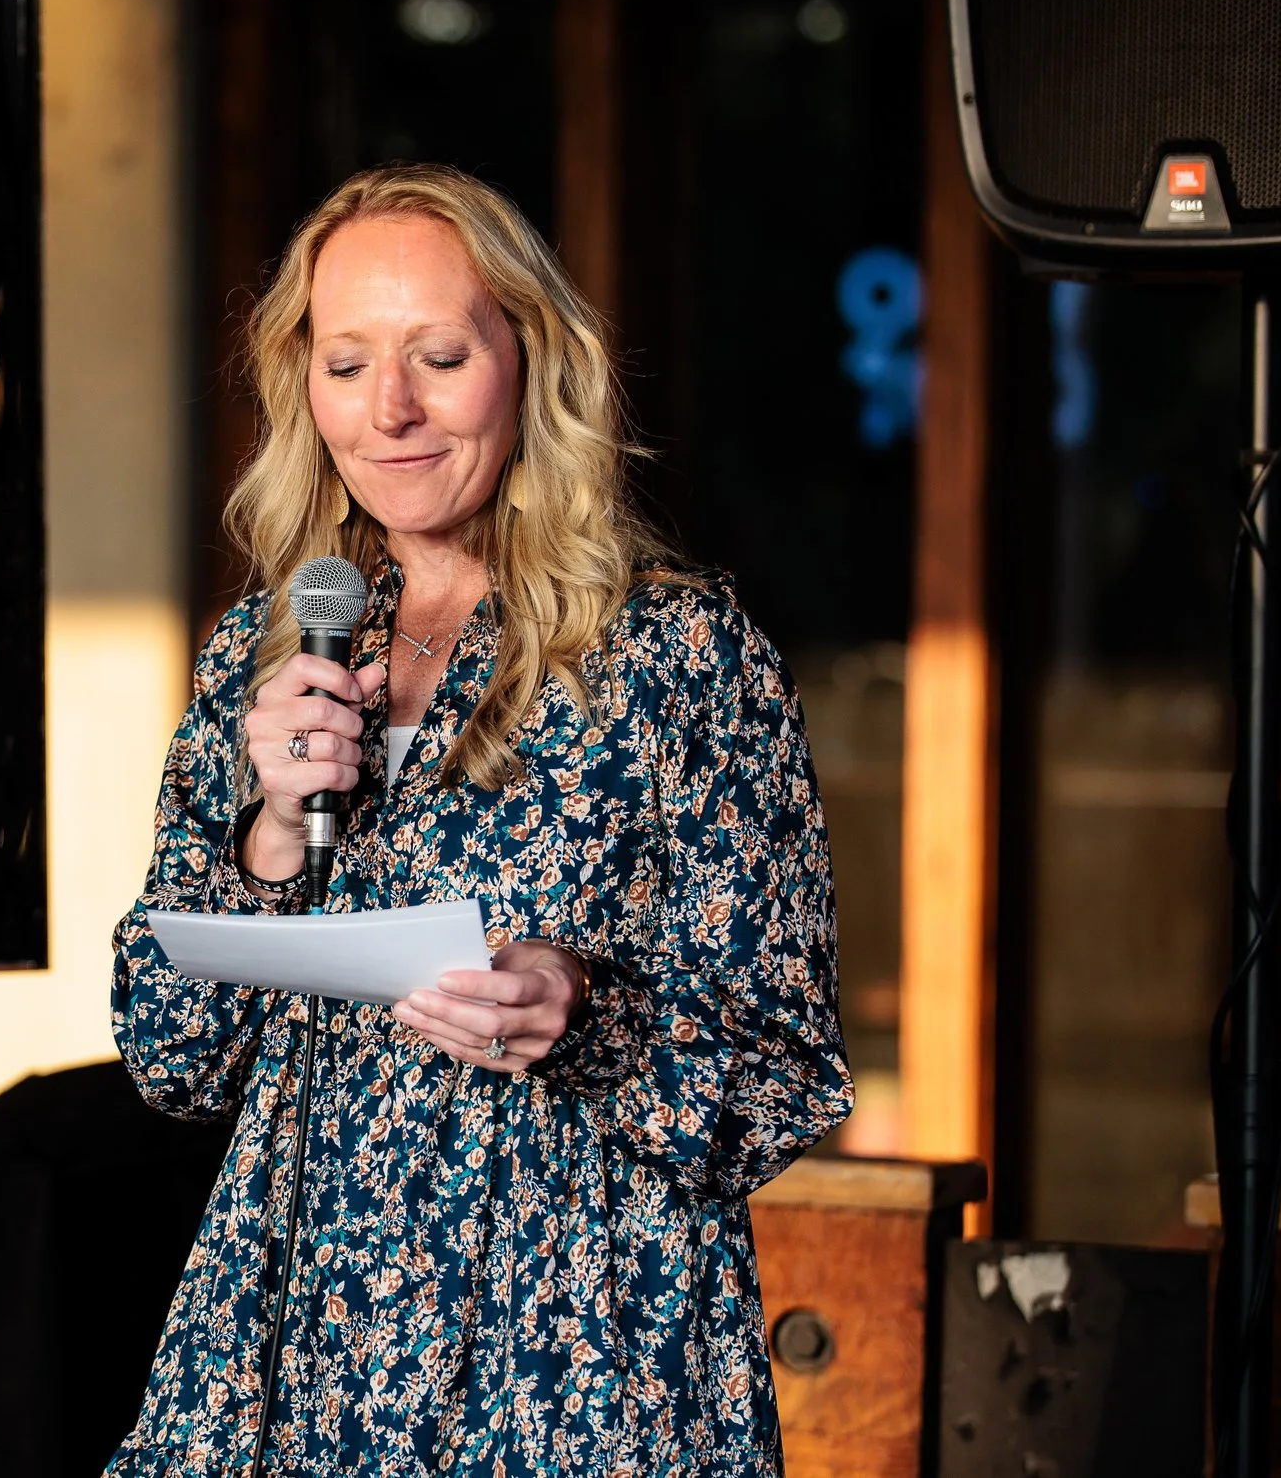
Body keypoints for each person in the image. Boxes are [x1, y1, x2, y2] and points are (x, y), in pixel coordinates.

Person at [107, 163, 851, 1476]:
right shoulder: (264, 654)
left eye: (438, 356)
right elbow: (167, 1051)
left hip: (572, 1368)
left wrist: (591, 1014)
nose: (390, 409)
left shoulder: (677, 654)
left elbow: (784, 1079)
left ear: (530, 362)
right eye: (346, 363)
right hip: (292, 1359)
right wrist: (272, 838)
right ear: (303, 387)